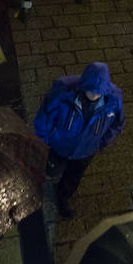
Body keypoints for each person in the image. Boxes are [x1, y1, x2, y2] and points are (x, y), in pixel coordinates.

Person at [34, 62, 124, 218]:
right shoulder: (63, 92)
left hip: (85, 151)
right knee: (49, 170)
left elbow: (118, 123)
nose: (94, 96)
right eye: (91, 91)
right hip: (59, 147)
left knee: (73, 178)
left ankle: (62, 199)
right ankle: (41, 187)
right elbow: (45, 117)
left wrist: (101, 143)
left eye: (99, 93)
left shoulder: (113, 100)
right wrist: (46, 139)